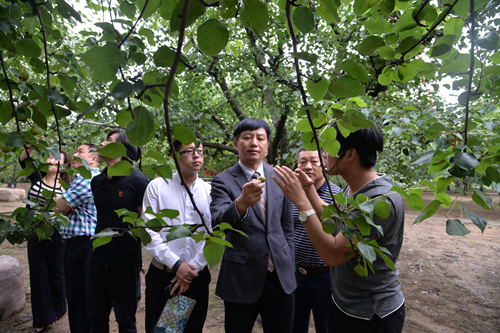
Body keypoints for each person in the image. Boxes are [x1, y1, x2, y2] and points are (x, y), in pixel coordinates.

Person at [273, 123, 405, 333]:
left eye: (329, 146)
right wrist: (308, 189)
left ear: (350, 154)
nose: (324, 154)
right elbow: (336, 217)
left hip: (369, 315)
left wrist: (301, 203)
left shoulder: (377, 201)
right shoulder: (358, 189)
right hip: (348, 306)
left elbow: (333, 254)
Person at [210, 118, 296, 333]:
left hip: (279, 277)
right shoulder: (223, 180)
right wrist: (241, 204)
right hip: (241, 278)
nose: (254, 143)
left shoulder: (280, 176)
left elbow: (288, 228)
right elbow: (218, 223)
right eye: (247, 138)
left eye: (260, 138)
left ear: (267, 147)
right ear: (236, 143)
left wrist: (289, 264)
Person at [142, 139, 212, 333]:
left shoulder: (210, 191)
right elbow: (149, 230)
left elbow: (213, 235)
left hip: (196, 277)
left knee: (192, 328)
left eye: (200, 151)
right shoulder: (157, 186)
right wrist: (176, 264)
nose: (196, 155)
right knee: (160, 330)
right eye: (189, 151)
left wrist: (190, 271)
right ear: (175, 155)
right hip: (164, 275)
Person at [86, 129, 149, 333]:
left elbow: (144, 223)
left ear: (122, 148)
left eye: (110, 141)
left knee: (126, 322)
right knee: (95, 319)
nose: (103, 144)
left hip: (124, 265)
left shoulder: (139, 181)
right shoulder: (97, 181)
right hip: (96, 260)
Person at [19, 148, 71, 332]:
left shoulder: (66, 187)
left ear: (63, 166)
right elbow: (23, 158)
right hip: (35, 232)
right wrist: (31, 144)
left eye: (56, 159)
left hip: (56, 233)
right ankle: (43, 318)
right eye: (50, 156)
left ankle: (59, 308)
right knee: (38, 273)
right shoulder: (36, 177)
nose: (51, 160)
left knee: (56, 272)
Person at [292, 148, 340, 333]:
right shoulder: (292, 195)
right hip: (296, 273)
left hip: (325, 276)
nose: (308, 166)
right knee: (295, 325)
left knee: (326, 325)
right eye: (302, 162)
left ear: (325, 164)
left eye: (314, 161)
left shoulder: (337, 196)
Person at [55, 143, 101, 333]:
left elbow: (58, 208)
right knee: (85, 300)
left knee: (78, 301)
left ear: (93, 159)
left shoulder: (85, 178)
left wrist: (62, 203)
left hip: (80, 247)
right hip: (84, 246)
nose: (74, 154)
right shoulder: (89, 179)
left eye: (80, 151)